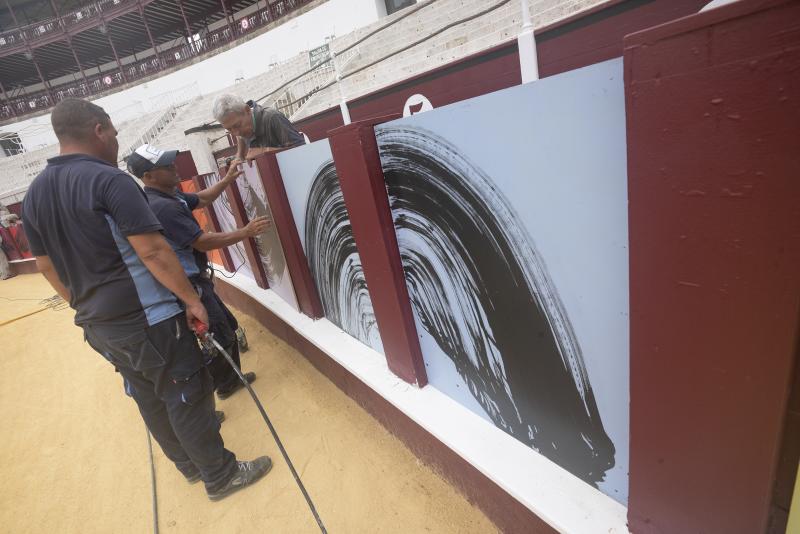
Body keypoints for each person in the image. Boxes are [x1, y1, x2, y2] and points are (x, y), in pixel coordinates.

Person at [21, 98, 272, 501]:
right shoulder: (109, 180)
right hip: (148, 318)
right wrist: (191, 300)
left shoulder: (34, 195)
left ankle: (190, 465)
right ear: (98, 129)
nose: (116, 141)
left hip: (99, 325)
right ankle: (221, 476)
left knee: (150, 396)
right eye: (114, 133)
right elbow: (153, 252)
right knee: (186, 391)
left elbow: (46, 267)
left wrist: (81, 305)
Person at [127, 143, 269, 400]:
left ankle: (225, 380)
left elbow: (203, 198)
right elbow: (201, 241)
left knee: (225, 326)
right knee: (217, 334)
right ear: (148, 177)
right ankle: (223, 385)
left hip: (195, 281)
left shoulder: (170, 196)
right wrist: (244, 232)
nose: (174, 168)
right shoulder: (163, 207)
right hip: (190, 284)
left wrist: (227, 179)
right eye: (166, 166)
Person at [211, 94, 304, 162]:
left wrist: (264, 152)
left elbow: (302, 150)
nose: (236, 133)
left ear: (247, 110)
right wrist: (239, 154)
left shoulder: (272, 117)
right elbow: (239, 136)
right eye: (229, 129)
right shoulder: (242, 128)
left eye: (237, 125)